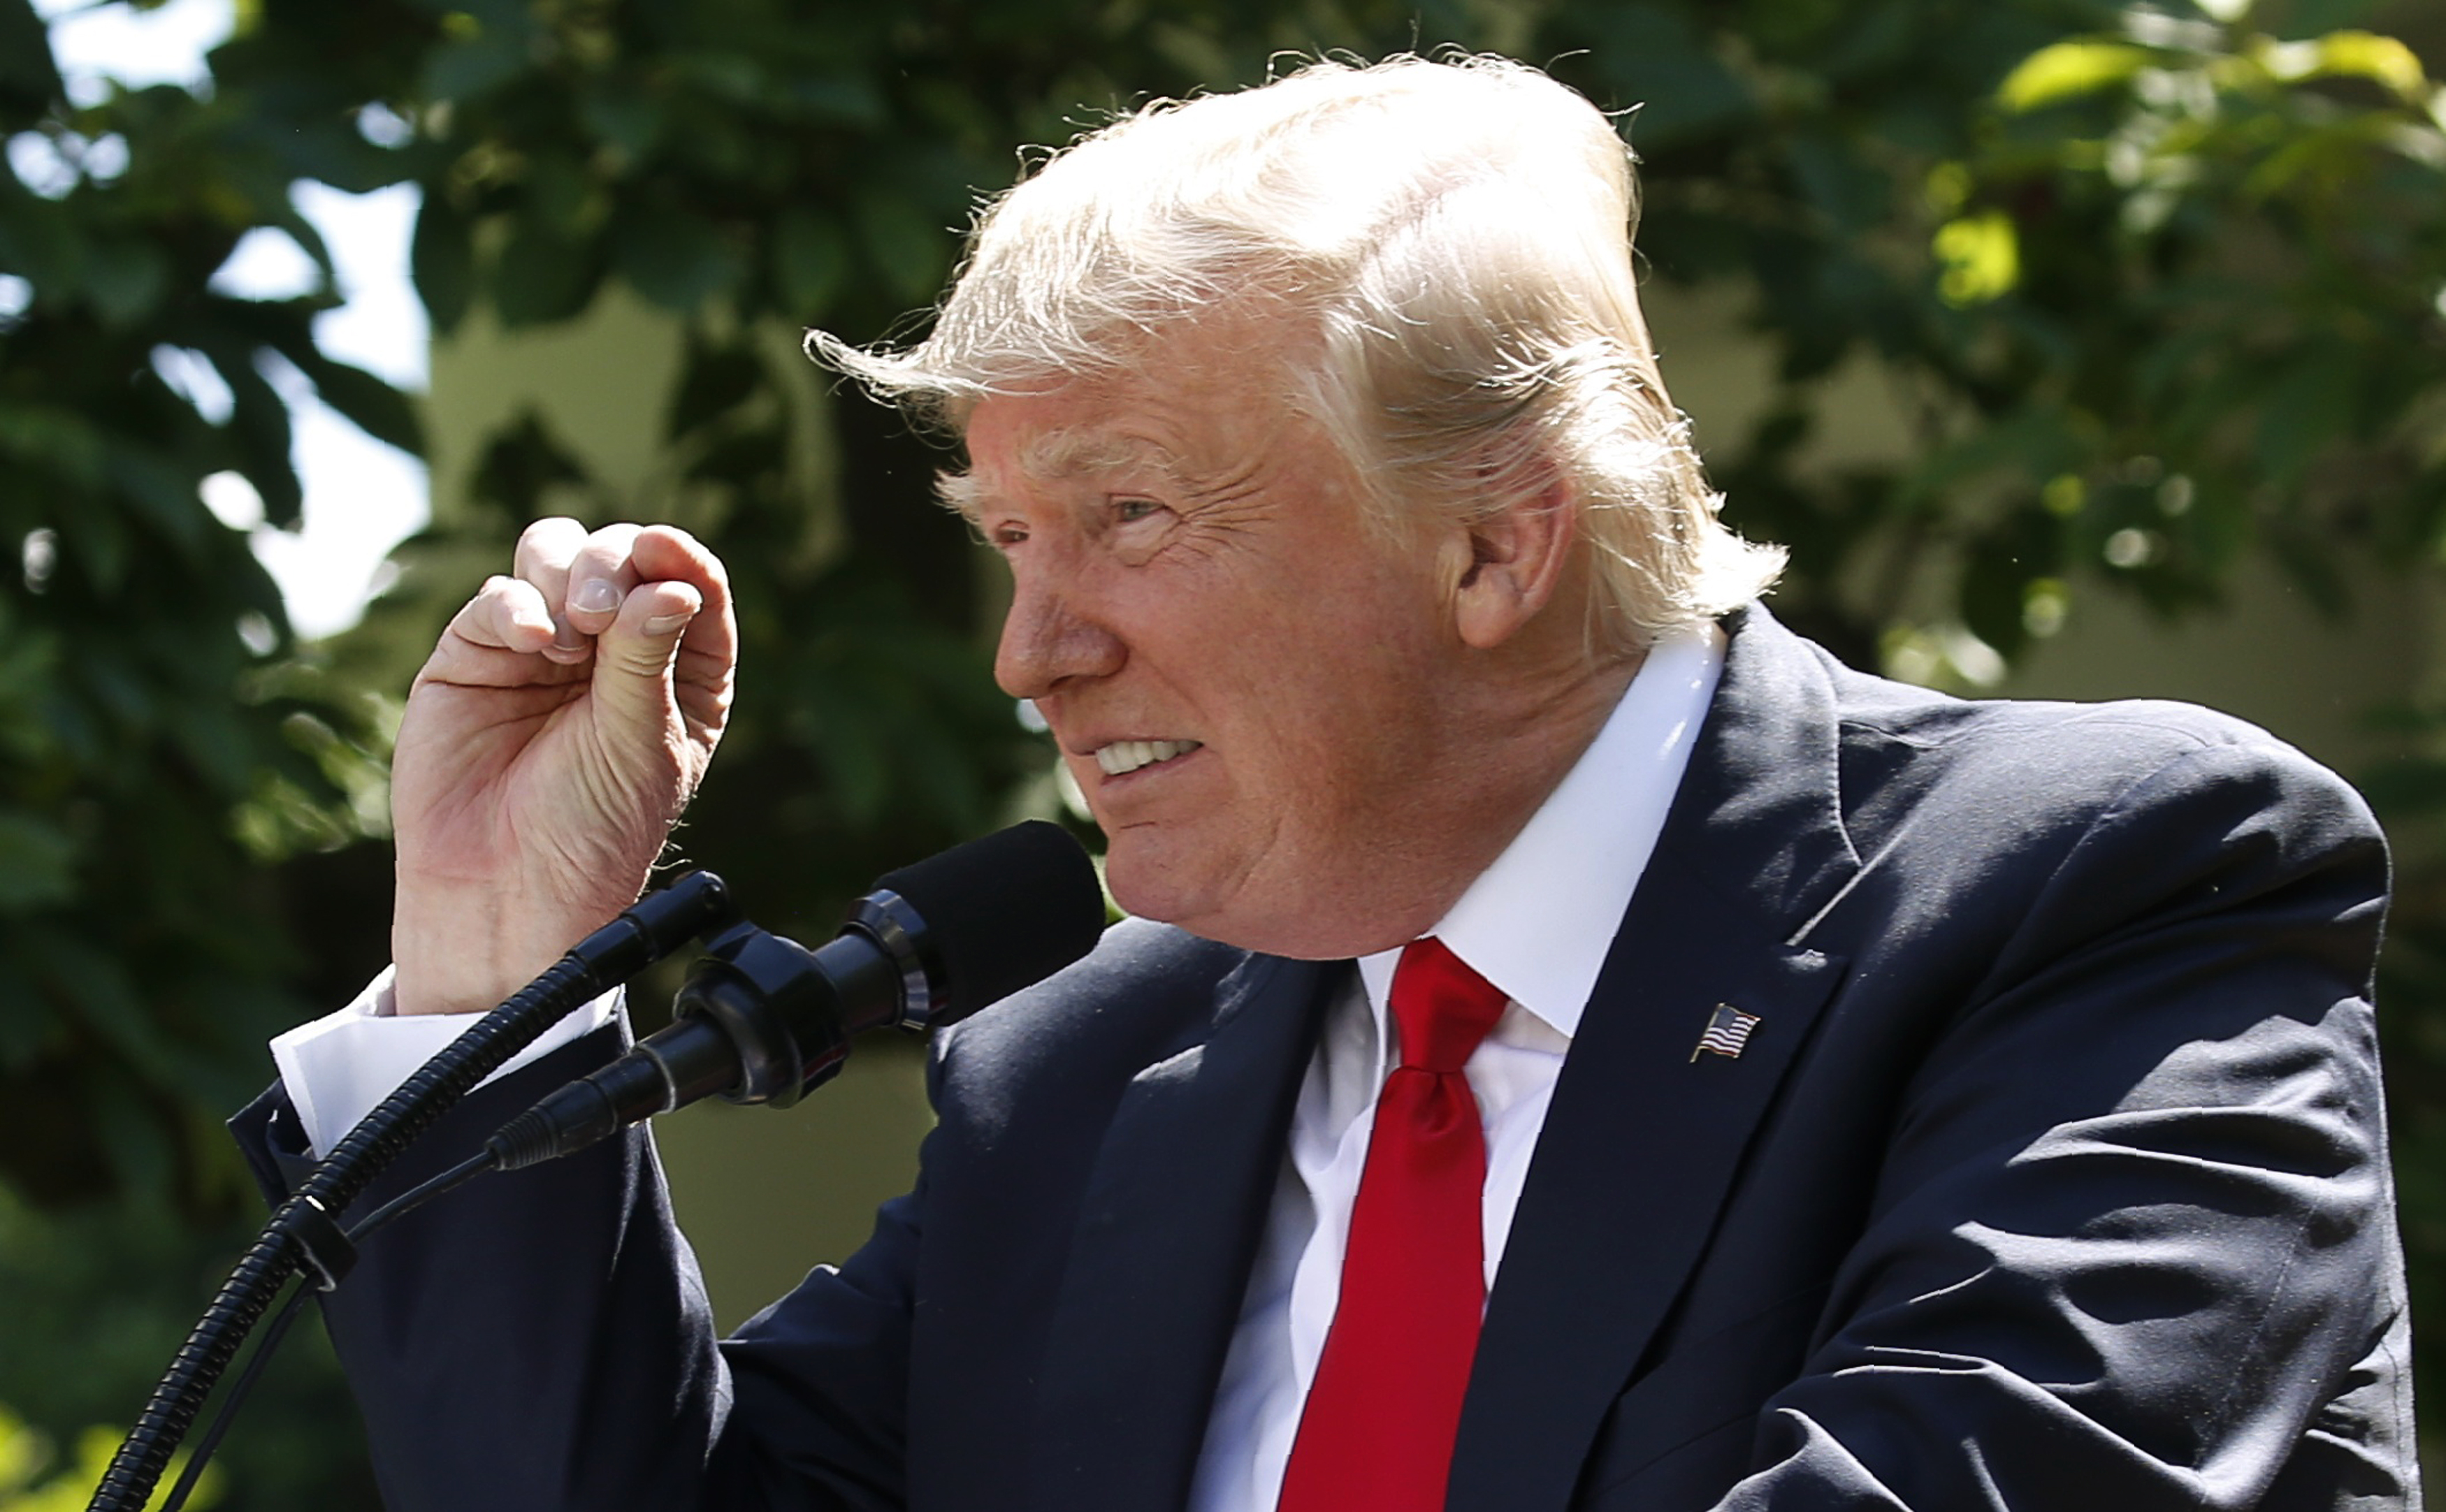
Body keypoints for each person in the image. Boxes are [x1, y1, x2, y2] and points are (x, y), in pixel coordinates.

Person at [234, 54, 2415, 1511]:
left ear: (1495, 535)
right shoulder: (1086, 1066)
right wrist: (496, 952)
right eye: (1011, 539)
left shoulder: (2106, 887)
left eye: (1134, 518)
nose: (1032, 651)